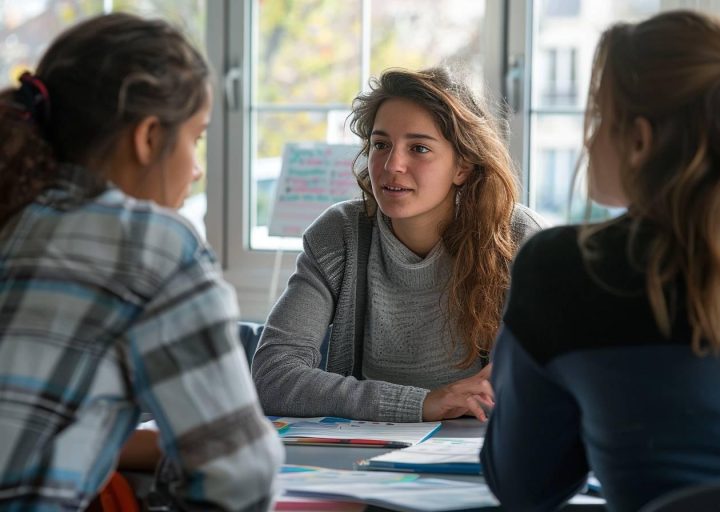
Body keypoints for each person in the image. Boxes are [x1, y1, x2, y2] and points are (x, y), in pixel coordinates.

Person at [481, 9, 720, 512]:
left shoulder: (567, 269)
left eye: (597, 117)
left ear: (639, 139)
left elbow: (525, 485)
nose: (588, 140)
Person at [0, 13, 283, 511]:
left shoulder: (14, 212)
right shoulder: (152, 246)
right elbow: (240, 478)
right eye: (196, 139)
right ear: (149, 137)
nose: (196, 170)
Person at [252, 67, 545, 423]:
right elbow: (272, 376)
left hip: (476, 456)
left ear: (462, 167)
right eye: (381, 145)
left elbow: (547, 381)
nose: (392, 165)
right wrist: (422, 404)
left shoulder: (515, 237)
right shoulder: (340, 234)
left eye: (419, 148)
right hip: (359, 456)